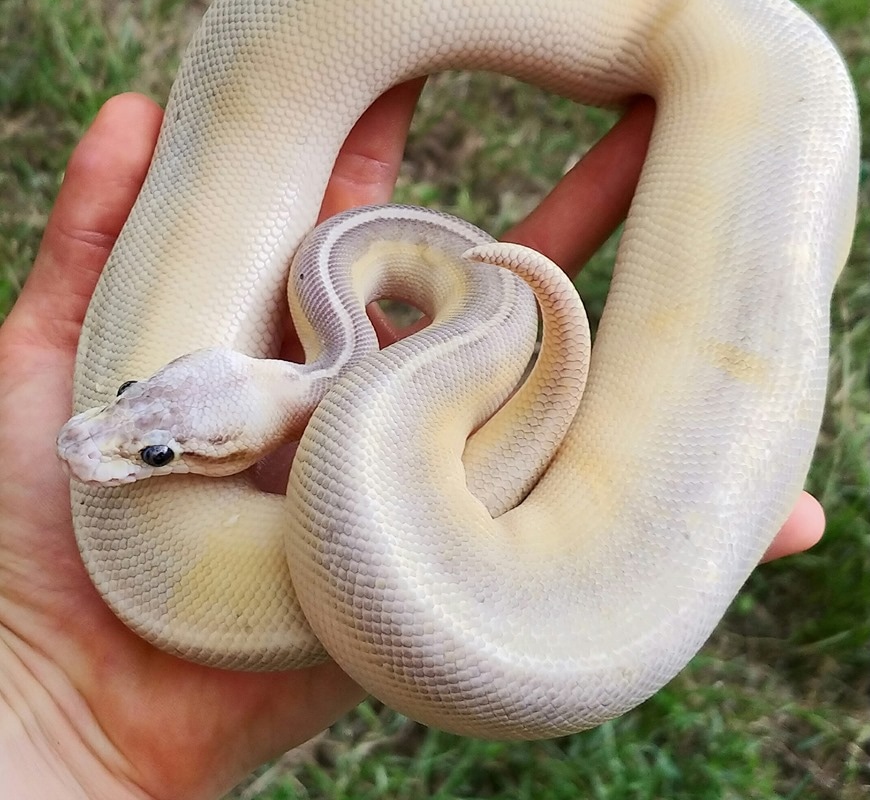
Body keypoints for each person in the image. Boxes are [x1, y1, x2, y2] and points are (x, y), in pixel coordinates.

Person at [0, 89, 825, 799]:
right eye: (136, 419)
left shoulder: (329, 355)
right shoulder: (315, 357)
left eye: (154, 454)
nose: (84, 447)